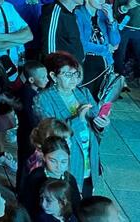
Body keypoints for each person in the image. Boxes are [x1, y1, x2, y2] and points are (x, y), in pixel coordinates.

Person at [32, 51, 108, 196]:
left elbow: (95, 122)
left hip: (88, 153)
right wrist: (78, 119)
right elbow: (50, 133)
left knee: (87, 194)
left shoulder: (83, 92)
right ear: (53, 76)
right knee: (68, 198)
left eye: (75, 74)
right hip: (66, 159)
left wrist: (101, 123)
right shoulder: (44, 99)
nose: (73, 79)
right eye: (67, 75)